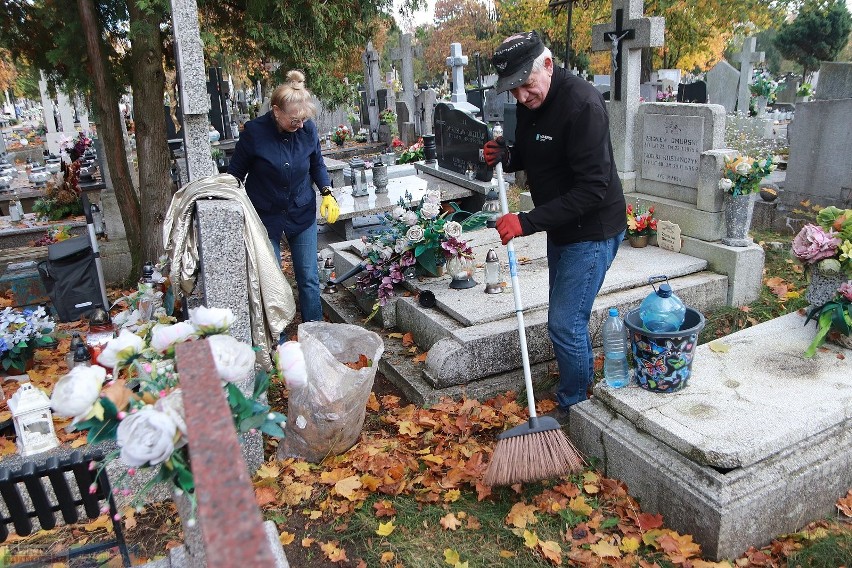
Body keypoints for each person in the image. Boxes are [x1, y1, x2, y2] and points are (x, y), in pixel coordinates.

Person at [483, 31, 626, 417]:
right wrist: (508, 156)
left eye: (526, 87)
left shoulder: (582, 106)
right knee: (563, 321)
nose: (522, 98)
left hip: (592, 229)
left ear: (547, 65)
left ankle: (575, 405)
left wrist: (526, 221)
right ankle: (575, 391)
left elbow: (593, 189)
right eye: (513, 92)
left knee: (565, 324)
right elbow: (538, 153)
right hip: (562, 227)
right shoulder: (534, 104)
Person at [228, 70, 339, 324]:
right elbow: (235, 175)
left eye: (303, 119)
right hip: (266, 216)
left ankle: (314, 333)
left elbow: (317, 165)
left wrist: (326, 191)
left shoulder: (307, 129)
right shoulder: (254, 133)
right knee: (273, 282)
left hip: (301, 211)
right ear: (276, 111)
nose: (299, 124)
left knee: (309, 278)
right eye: (294, 120)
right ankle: (276, 339)